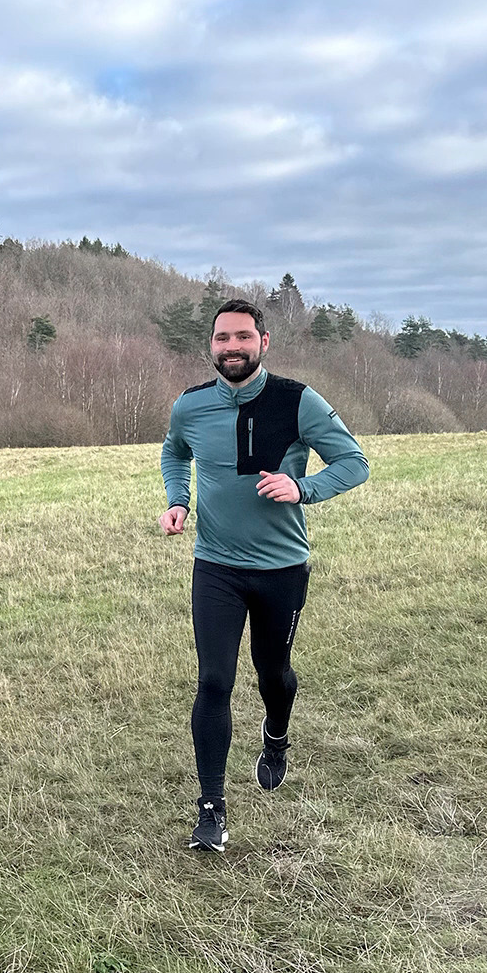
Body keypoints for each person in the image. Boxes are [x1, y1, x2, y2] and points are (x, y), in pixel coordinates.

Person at [158, 298, 370, 851]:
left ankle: (276, 738)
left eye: (242, 338)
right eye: (222, 338)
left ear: (263, 342)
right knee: (213, 681)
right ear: (211, 344)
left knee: (273, 673)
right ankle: (211, 808)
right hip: (216, 567)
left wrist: (304, 488)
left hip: (281, 569)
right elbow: (174, 452)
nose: (232, 347)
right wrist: (178, 500)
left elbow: (354, 462)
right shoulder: (192, 405)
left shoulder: (298, 402)